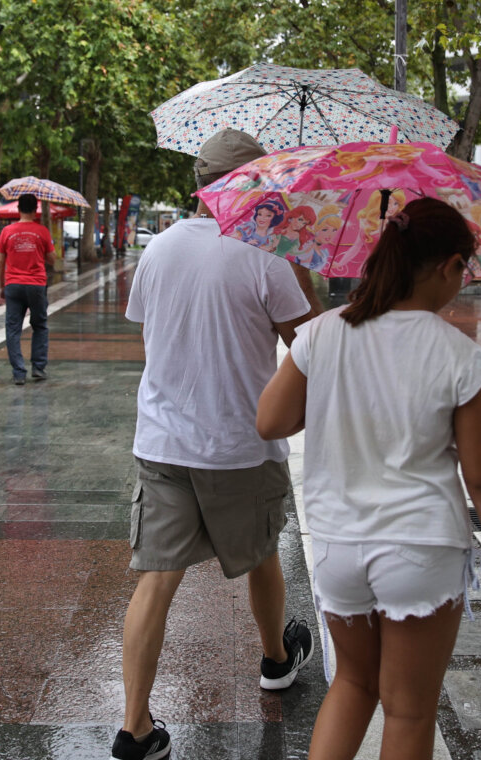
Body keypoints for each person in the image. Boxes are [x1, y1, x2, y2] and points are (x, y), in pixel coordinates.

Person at [256, 197, 481, 760]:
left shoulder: (323, 334)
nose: (462, 281)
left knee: (353, 686)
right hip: (420, 549)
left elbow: (272, 420)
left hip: (339, 547)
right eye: (465, 269)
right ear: (446, 266)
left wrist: (339, 387)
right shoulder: (461, 357)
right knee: (408, 711)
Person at [116, 128, 321, 760]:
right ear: (250, 184)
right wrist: (302, 268)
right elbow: (310, 348)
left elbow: (154, 339)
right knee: (260, 551)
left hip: (163, 442)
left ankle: (135, 728)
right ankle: (274, 658)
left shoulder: (160, 247)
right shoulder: (266, 255)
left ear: (201, 187)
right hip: (240, 444)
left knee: (156, 578)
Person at [0, 193, 54, 385]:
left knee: (13, 329)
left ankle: (19, 372)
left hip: (13, 284)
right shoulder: (42, 231)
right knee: (40, 325)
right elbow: (52, 259)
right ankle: (38, 367)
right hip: (36, 285)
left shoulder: (7, 232)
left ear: (18, 209)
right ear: (36, 210)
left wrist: (1, 285)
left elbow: (0, 262)